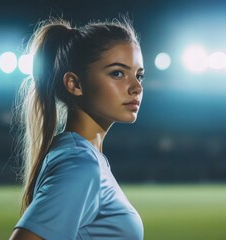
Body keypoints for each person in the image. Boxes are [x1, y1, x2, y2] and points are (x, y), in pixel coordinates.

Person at [9, 16, 145, 240]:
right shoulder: (81, 164)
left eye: (139, 75)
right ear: (75, 84)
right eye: (118, 73)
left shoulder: (82, 156)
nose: (136, 87)